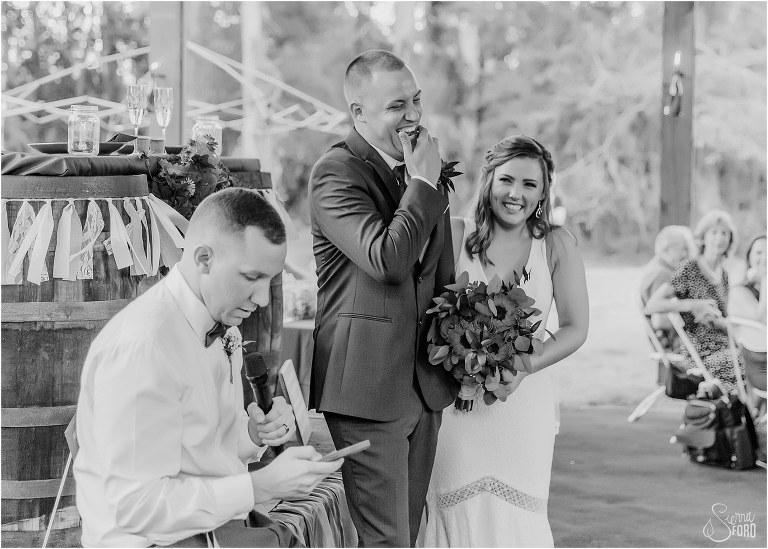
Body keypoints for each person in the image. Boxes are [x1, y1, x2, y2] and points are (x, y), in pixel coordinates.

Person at [74, 188, 343, 547]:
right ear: (203, 258)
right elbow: (135, 508)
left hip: (219, 531)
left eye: (270, 280)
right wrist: (258, 486)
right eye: (251, 277)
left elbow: (204, 449)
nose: (263, 299)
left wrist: (252, 434)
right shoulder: (145, 347)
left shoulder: (223, 328)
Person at [309, 50, 458, 547]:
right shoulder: (336, 173)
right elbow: (388, 260)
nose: (413, 115)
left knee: (405, 538)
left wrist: (466, 352)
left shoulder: (423, 173)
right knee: (387, 542)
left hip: (424, 386)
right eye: (398, 106)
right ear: (359, 113)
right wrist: (422, 182)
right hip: (366, 390)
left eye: (416, 100)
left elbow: (441, 278)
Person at [419, 135, 589, 547]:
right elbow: (425, 316)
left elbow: (575, 327)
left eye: (530, 184)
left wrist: (519, 368)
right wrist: (460, 368)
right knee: (455, 516)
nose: (516, 194)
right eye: (507, 180)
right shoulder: (456, 234)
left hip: (523, 408)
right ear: (488, 181)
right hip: (459, 410)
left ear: (544, 191)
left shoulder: (556, 243)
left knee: (518, 518)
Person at [646, 209, 744, 394]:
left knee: (758, 355)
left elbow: (725, 317)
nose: (719, 238)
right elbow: (653, 304)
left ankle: (743, 415)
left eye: (725, 233)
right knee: (748, 361)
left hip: (725, 343)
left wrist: (721, 321)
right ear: (703, 238)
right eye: (713, 232)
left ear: (731, 240)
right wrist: (692, 304)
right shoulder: (690, 268)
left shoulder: (723, 275)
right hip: (700, 351)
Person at [639, 225, 695, 348]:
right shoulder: (662, 274)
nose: (687, 254)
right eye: (683, 248)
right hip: (671, 341)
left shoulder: (661, 267)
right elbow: (660, 319)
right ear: (667, 250)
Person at [729, 233, 766, 325]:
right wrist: (764, 278)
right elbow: (762, 321)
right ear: (749, 258)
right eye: (759, 252)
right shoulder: (738, 291)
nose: (765, 258)